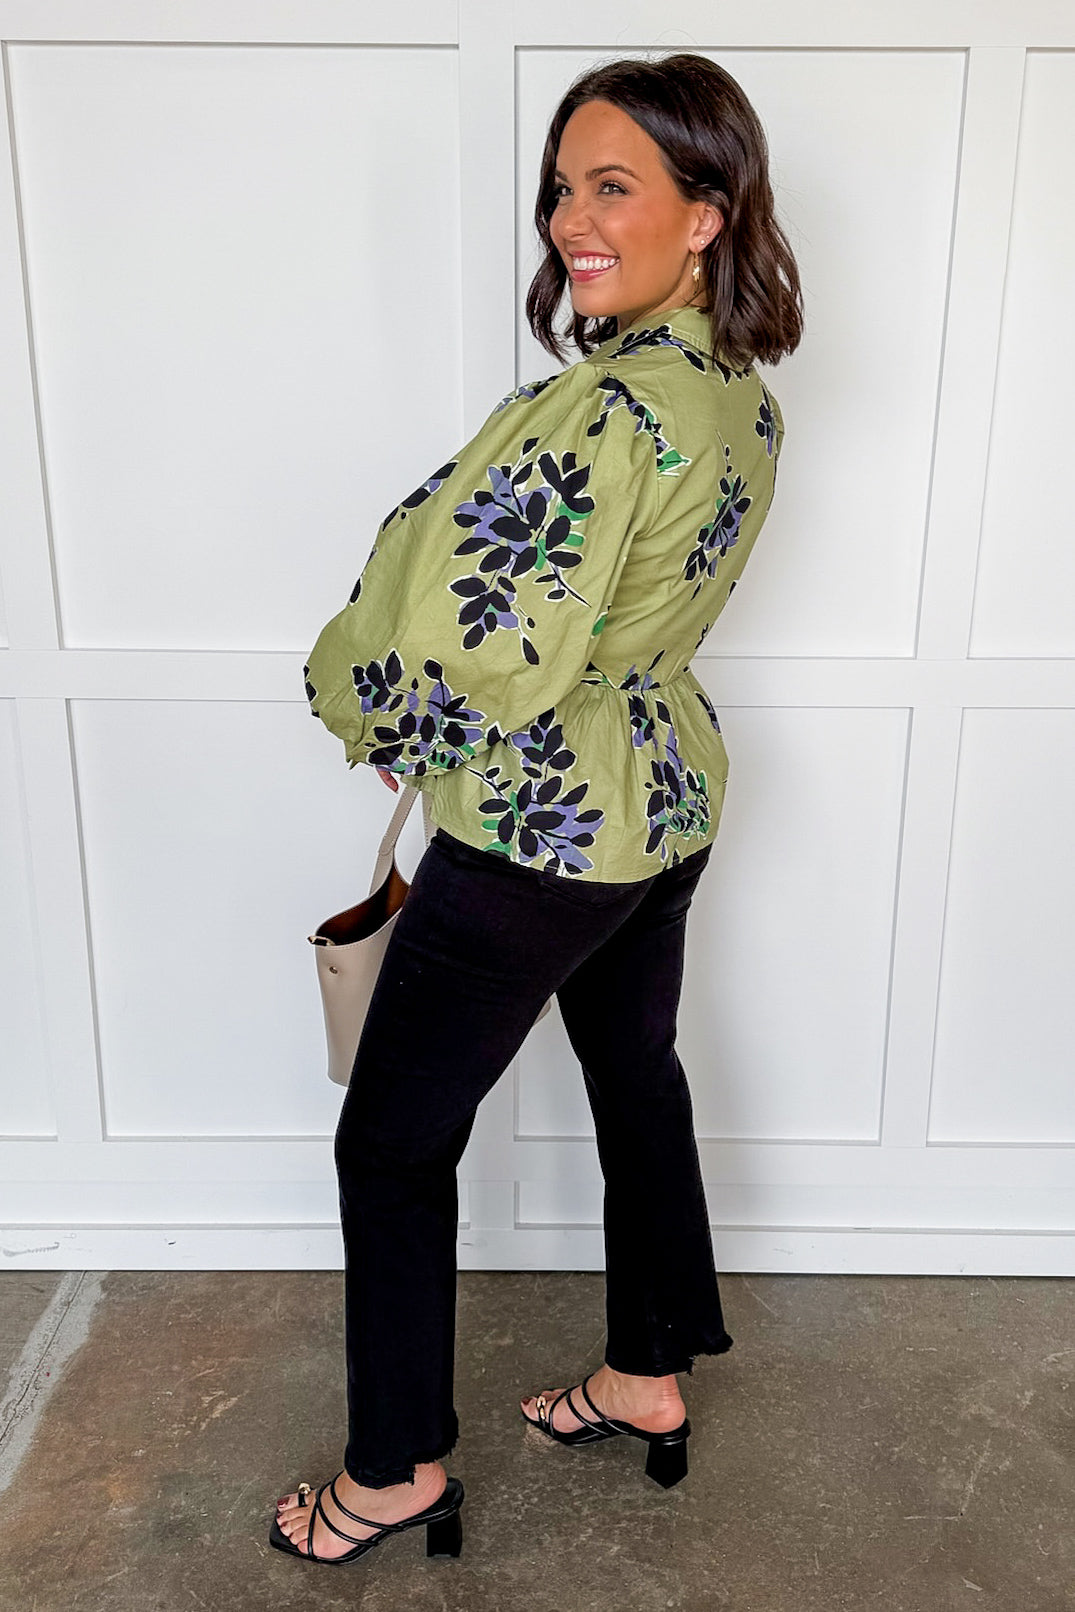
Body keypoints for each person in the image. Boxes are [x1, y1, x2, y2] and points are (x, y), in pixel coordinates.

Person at [271, 50, 802, 1567]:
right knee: (636, 1075)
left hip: (543, 831)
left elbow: (489, 629)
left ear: (707, 212)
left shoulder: (602, 412)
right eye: (563, 188)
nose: (571, 220)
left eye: (612, 186)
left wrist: (392, 716)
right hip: (664, 802)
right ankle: (646, 1375)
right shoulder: (739, 399)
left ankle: (391, 1476)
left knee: (390, 1143)